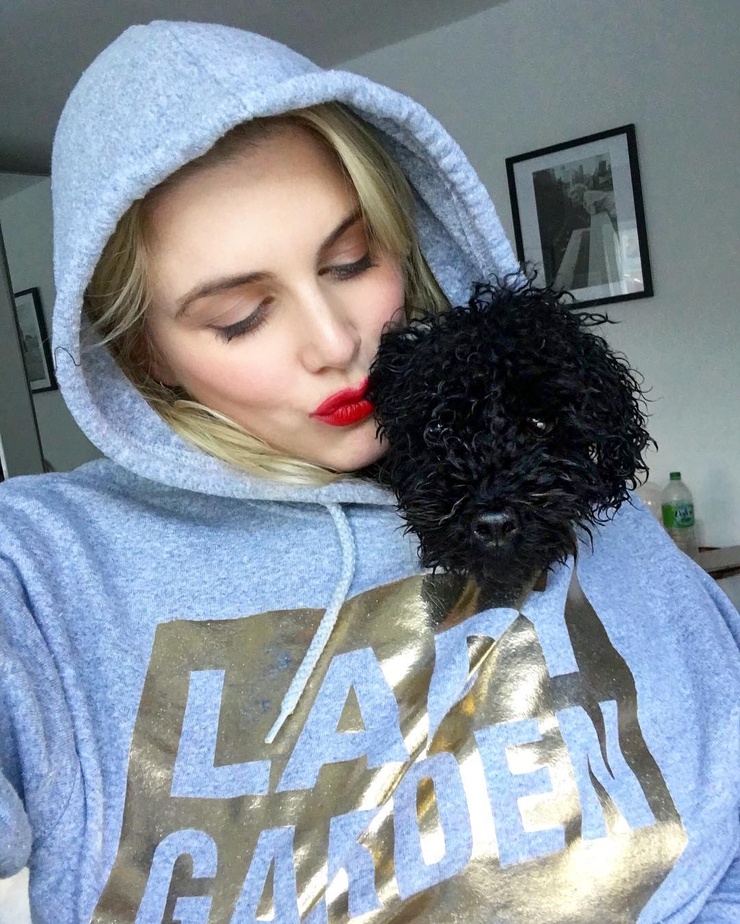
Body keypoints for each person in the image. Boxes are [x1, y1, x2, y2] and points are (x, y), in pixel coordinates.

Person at [0, 20, 738, 924]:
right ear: (146, 356)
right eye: (240, 317)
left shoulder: (556, 474)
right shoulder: (39, 567)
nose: (336, 342)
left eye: (352, 262)